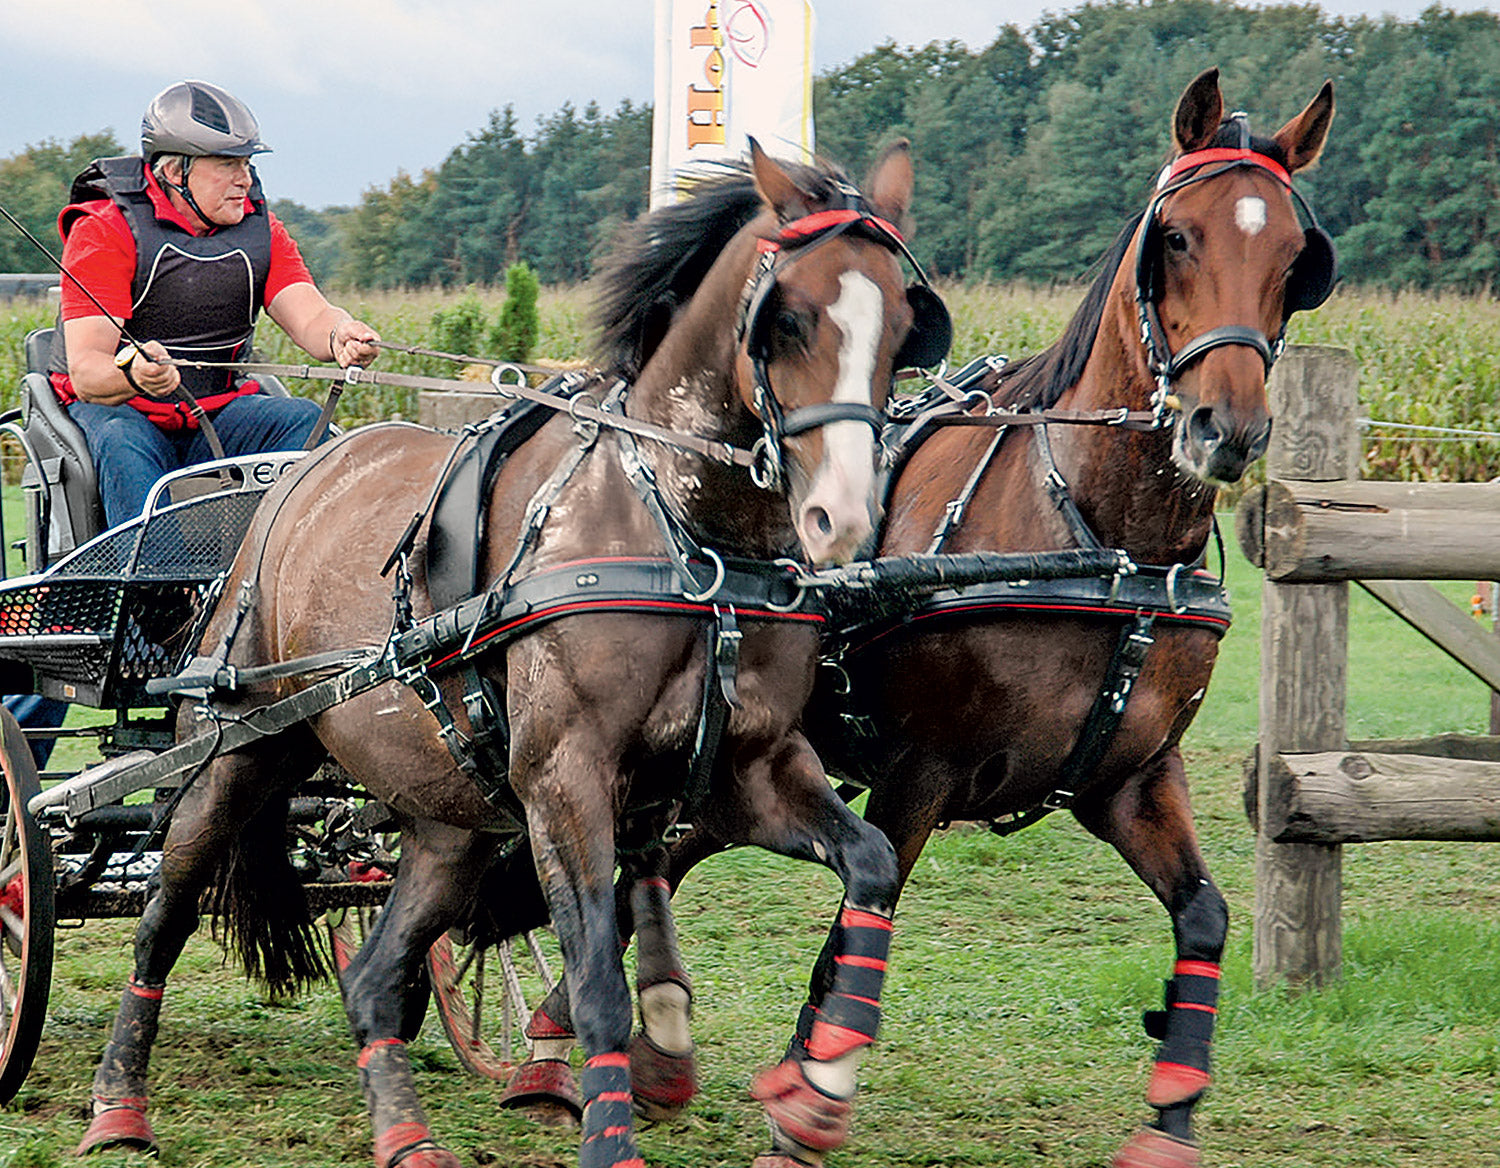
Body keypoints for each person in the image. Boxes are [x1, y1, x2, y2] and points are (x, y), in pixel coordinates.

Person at [45, 79, 381, 528]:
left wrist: (342, 334)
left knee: (302, 420)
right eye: (227, 164)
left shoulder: (261, 232)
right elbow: (87, 373)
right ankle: (156, 592)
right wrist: (136, 374)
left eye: (246, 164)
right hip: (123, 413)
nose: (245, 180)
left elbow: (313, 316)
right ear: (173, 171)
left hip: (216, 410)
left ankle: (274, 573)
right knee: (124, 443)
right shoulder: (103, 230)